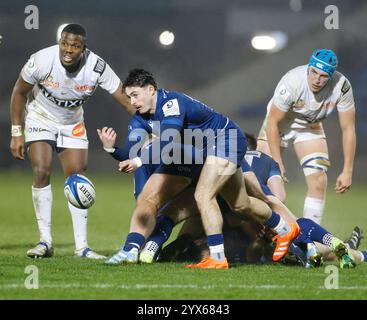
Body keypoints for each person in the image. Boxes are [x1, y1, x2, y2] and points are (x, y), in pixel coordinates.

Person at [99, 68, 300, 269]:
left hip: (226, 138)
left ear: (151, 90)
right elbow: (130, 153)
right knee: (241, 205)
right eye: (129, 97)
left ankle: (218, 257)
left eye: (135, 95)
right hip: (211, 150)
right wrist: (111, 148)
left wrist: (139, 162)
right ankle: (284, 229)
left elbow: (168, 140)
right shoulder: (140, 119)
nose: (132, 102)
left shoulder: (171, 103)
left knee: (203, 195)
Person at [9, 23, 133, 259]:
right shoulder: (42, 60)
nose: (67, 50)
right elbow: (19, 92)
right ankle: (45, 241)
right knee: (42, 169)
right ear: (59, 42)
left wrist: (152, 125)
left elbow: (124, 99)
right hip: (40, 117)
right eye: (64, 43)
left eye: (74, 46)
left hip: (72, 123)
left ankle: (82, 248)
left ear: (84, 48)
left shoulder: (97, 67)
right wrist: (17, 132)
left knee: (76, 179)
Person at [257, 49, 356, 224]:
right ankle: (263, 239)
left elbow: (348, 128)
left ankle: (311, 241)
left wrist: (347, 170)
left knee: (318, 181)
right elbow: (272, 122)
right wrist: (278, 162)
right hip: (279, 124)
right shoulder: (292, 82)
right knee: (267, 186)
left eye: (323, 76)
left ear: (331, 76)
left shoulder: (342, 86)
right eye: (314, 72)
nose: (317, 79)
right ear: (309, 68)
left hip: (310, 126)